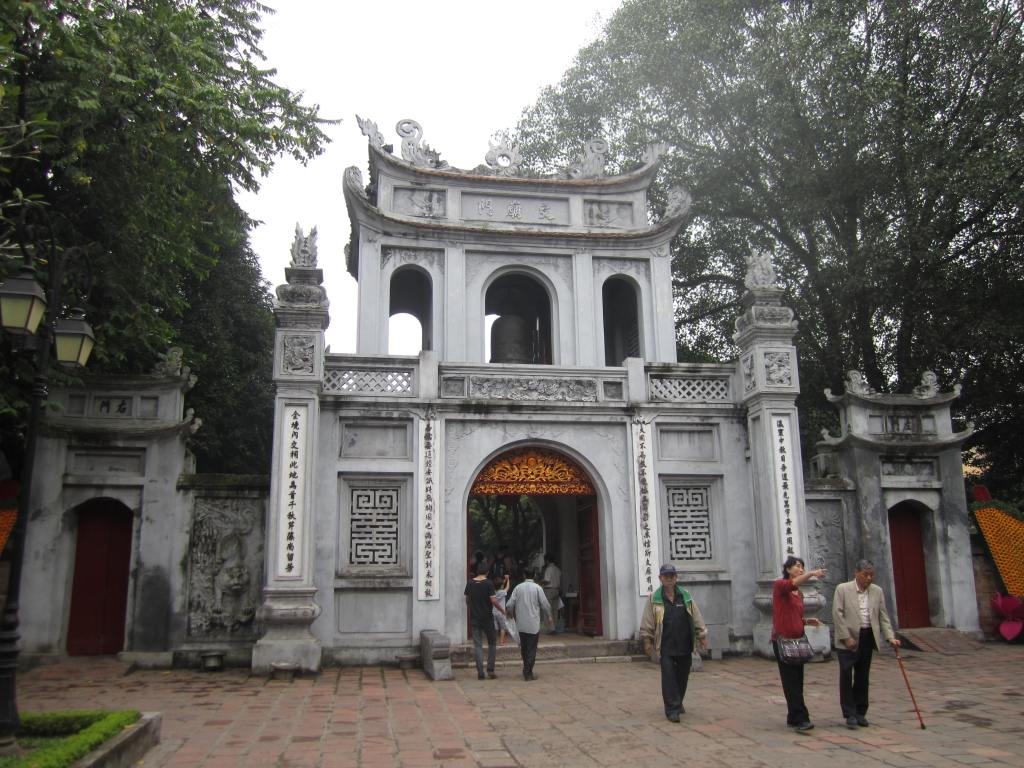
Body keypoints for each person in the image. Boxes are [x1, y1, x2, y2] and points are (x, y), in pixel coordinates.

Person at [832, 559, 901, 729]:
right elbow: (837, 614)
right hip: (848, 638)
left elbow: (883, 616)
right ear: (857, 573)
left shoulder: (877, 591)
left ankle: (861, 711)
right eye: (865, 574)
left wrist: (890, 636)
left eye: (871, 575)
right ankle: (849, 713)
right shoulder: (843, 589)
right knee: (847, 675)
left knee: (863, 676)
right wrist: (845, 637)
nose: (869, 578)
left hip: (867, 635)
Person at [639, 563, 708, 722]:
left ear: (676, 578)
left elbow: (696, 616)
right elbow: (648, 621)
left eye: (672, 576)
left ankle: (678, 700)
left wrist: (702, 634)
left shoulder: (685, 596)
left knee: (682, 676)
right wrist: (647, 641)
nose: (669, 579)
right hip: (666, 646)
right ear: (660, 578)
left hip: (685, 644)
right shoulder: (654, 599)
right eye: (666, 576)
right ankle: (671, 709)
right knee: (669, 677)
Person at [772, 556, 827, 732]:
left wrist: (806, 621)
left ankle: (793, 716)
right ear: (788, 569)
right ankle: (801, 718)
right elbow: (791, 584)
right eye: (797, 566)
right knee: (790, 681)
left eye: (803, 567)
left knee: (798, 679)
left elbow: (793, 614)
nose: (801, 569)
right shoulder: (780, 586)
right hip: (783, 640)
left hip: (798, 639)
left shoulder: (799, 594)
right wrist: (812, 573)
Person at [505, 567, 551, 680]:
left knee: (524, 648)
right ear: (534, 575)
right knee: (532, 648)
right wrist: (549, 616)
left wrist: (509, 613)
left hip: (521, 624)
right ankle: (528, 671)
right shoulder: (537, 588)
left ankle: (527, 668)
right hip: (533, 624)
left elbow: (510, 604)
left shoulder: (518, 588)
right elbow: (545, 604)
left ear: (524, 575)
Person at [464, 563, 507, 680]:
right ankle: (490, 669)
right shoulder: (488, 583)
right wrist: (502, 610)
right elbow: (493, 600)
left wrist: (472, 608)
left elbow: (467, 599)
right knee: (492, 643)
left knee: (477, 645)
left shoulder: (470, 583)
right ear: (487, 572)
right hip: (487, 618)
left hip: (475, 618)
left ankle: (480, 672)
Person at [493, 574, 518, 646]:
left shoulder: (493, 591)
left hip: (493, 612)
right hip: (501, 612)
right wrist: (508, 580)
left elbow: (498, 584)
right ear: (501, 586)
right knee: (502, 627)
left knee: (495, 628)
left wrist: (505, 580)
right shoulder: (502, 592)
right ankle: (501, 642)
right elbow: (507, 587)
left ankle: (494, 642)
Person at [540, 553, 561, 633]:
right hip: (557, 590)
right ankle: (554, 627)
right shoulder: (557, 569)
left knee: (548, 609)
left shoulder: (549, 569)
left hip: (549, 590)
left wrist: (540, 581)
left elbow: (547, 580)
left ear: (547, 560)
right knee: (555, 610)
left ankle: (550, 628)